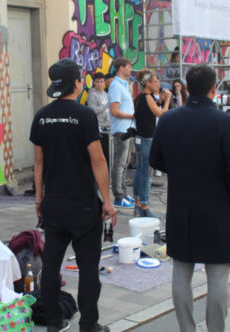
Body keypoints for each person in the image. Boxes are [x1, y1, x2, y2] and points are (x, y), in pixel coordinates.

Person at [150, 64, 230, 332]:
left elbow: (155, 158)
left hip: (182, 207)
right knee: (217, 277)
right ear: (214, 89)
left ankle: (187, 329)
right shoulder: (224, 122)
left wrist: (181, 170)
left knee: (181, 273)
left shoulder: (169, 119)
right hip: (219, 207)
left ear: (187, 88)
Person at [31, 58, 117, 332]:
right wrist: (108, 201)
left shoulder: (41, 116)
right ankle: (89, 325)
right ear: (78, 83)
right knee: (88, 267)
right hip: (83, 206)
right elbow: (98, 161)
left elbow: (39, 163)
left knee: (51, 266)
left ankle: (54, 323)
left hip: (54, 205)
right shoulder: (84, 115)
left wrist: (39, 200)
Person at [132, 70, 171, 217]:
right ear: (147, 83)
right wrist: (166, 100)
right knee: (146, 174)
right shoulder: (147, 97)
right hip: (147, 138)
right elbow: (162, 114)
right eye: (155, 81)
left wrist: (159, 100)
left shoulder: (141, 97)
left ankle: (137, 203)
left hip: (140, 137)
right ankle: (145, 205)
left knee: (140, 172)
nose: (158, 84)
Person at [108, 57, 135, 208]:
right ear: (120, 68)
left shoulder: (124, 85)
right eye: (129, 66)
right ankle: (118, 196)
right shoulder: (116, 86)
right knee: (119, 163)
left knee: (124, 164)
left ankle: (123, 193)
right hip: (121, 130)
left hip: (128, 129)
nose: (131, 70)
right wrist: (132, 116)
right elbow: (114, 111)